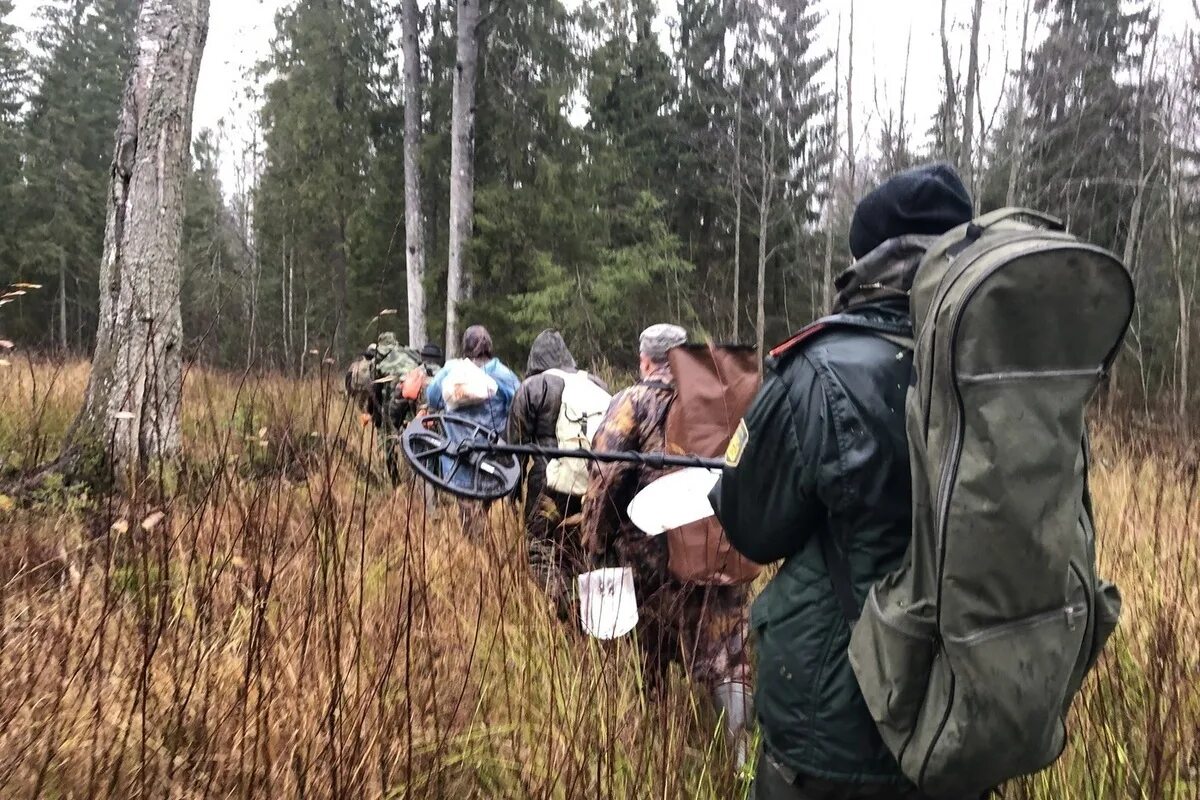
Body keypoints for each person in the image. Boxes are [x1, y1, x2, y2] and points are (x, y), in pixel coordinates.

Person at [709, 164, 983, 799]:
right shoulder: (1005, 373)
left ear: (867, 261)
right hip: (971, 713)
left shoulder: (817, 368)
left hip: (836, 730)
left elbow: (752, 526)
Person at [582, 324, 751, 730]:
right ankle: (743, 758)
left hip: (653, 556)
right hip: (721, 546)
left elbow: (607, 473)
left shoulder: (634, 400)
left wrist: (595, 540)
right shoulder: (720, 400)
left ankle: (655, 737)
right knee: (727, 656)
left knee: (650, 652)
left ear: (645, 360)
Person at [509, 329, 609, 619]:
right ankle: (595, 617)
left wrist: (512, 494)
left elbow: (514, 449)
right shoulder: (595, 383)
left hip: (548, 485)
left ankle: (567, 608)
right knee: (583, 551)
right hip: (594, 484)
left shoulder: (533, 387)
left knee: (539, 550)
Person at [426, 325, 520, 533]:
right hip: (492, 458)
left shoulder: (452, 370)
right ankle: (481, 548)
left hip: (457, 458)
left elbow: (432, 396)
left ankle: (475, 548)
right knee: (484, 502)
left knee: (467, 505)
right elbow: (519, 405)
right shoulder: (503, 374)